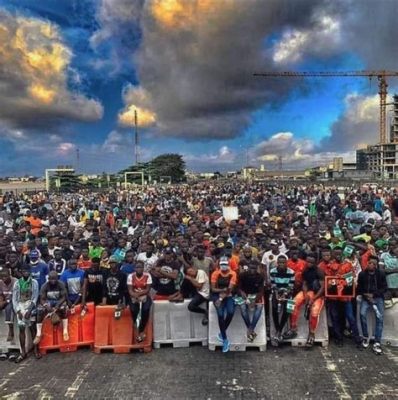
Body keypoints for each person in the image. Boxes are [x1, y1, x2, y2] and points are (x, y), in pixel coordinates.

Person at [284, 253, 325, 347]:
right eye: (308, 261)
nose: (309, 263)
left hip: (318, 295)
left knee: (314, 313)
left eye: (311, 262)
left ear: (315, 262)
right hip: (307, 292)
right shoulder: (305, 270)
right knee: (292, 304)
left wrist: (313, 299)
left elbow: (322, 288)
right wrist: (306, 294)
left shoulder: (319, 271)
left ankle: (312, 334)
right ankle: (293, 328)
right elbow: (305, 284)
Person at [357, 256, 387, 355]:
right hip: (366, 298)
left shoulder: (381, 274)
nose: (371, 265)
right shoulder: (362, 274)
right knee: (362, 314)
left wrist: (374, 295)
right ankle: (365, 337)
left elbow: (384, 288)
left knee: (380, 318)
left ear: (376, 265)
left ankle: (377, 341)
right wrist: (366, 295)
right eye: (369, 262)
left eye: (373, 263)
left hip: (377, 298)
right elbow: (359, 288)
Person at [34, 271, 68, 351]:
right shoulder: (44, 286)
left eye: (54, 279)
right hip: (48, 302)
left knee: (63, 308)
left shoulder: (61, 284)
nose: (53, 281)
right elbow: (42, 299)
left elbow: (64, 297)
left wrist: (57, 306)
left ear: (57, 278)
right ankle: (38, 333)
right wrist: (46, 306)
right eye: (51, 279)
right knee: (39, 310)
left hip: (58, 301)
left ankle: (65, 330)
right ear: (48, 279)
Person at [12, 264, 39, 363]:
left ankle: (36, 349)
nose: (26, 272)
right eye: (23, 271)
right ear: (21, 272)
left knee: (33, 328)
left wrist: (30, 310)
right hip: (20, 306)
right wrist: (18, 311)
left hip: (30, 306)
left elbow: (35, 297)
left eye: (27, 271)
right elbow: (14, 299)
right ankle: (23, 352)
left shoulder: (34, 282)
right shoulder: (17, 283)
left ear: (30, 271)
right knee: (21, 329)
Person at [210, 256, 237, 353]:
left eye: (225, 264)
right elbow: (213, 289)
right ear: (219, 265)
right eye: (222, 264)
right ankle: (225, 340)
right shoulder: (215, 273)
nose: (224, 266)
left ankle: (222, 332)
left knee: (230, 312)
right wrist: (221, 291)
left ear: (229, 265)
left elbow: (230, 289)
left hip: (228, 296)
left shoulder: (233, 273)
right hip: (216, 295)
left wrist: (221, 297)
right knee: (220, 314)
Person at [269, 255, 295, 346]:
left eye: (283, 262)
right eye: (279, 262)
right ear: (277, 263)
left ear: (286, 263)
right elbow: (273, 285)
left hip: (288, 293)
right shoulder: (272, 271)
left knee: (289, 309)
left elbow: (291, 286)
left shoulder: (291, 272)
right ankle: (278, 331)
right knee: (274, 309)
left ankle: (279, 331)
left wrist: (286, 293)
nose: (281, 264)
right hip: (276, 292)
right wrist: (277, 293)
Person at [237, 260, 264, 342]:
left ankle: (250, 329)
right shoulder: (242, 275)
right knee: (242, 308)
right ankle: (251, 330)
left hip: (255, 294)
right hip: (244, 294)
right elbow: (238, 288)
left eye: (255, 268)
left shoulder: (260, 276)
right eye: (251, 268)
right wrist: (241, 292)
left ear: (257, 268)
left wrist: (254, 300)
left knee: (259, 307)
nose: (253, 270)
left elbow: (261, 291)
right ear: (248, 268)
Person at [127, 261, 152, 342]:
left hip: (144, 295)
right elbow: (130, 290)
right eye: (137, 267)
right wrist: (135, 296)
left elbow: (147, 290)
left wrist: (139, 294)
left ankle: (141, 330)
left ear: (143, 268)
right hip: (134, 296)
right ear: (135, 268)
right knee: (134, 310)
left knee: (146, 309)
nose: (139, 269)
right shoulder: (131, 276)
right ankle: (136, 325)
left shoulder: (147, 275)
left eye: (141, 267)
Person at [0, 267, 17, 341]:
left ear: (10, 275)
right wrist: (1, 302)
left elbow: (16, 296)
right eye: (2, 276)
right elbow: (0, 294)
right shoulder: (0, 283)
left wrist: (5, 302)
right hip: (5, 300)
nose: (4, 278)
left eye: (5, 276)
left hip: (14, 300)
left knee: (8, 308)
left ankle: (11, 331)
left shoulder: (15, 281)